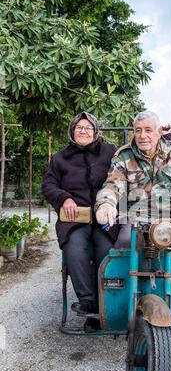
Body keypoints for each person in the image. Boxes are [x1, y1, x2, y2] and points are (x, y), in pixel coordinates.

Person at [42, 112, 118, 331]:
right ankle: (89, 303)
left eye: (88, 128)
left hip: (105, 217)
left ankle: (108, 303)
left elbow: (127, 167)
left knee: (107, 251)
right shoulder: (60, 158)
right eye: (79, 128)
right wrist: (63, 197)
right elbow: (48, 186)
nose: (83, 131)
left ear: (95, 132)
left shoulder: (109, 152)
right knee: (75, 249)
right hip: (76, 219)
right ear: (72, 131)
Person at [95, 111, 171, 249]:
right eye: (138, 130)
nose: (142, 136)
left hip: (169, 217)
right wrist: (106, 204)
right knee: (125, 244)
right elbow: (113, 185)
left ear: (158, 132)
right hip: (135, 217)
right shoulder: (123, 155)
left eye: (148, 130)